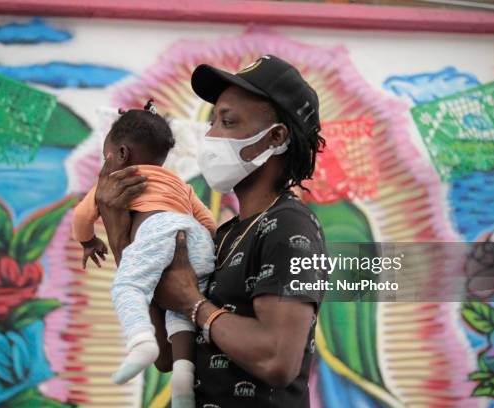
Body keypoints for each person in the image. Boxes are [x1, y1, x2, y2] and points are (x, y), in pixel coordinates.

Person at [96, 55, 327, 407]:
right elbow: (166, 356)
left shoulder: (290, 227)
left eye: (227, 121)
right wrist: (118, 230)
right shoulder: (226, 234)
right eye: (212, 122)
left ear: (276, 137)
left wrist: (194, 304)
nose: (211, 136)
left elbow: (278, 358)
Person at [72, 101, 216, 407]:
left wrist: (87, 242)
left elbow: (82, 218)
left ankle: (141, 342)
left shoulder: (112, 182)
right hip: (195, 237)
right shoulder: (179, 183)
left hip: (157, 232)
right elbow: (208, 223)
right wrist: (201, 246)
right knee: (183, 308)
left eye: (105, 156)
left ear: (121, 155)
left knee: (129, 286)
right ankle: (183, 377)